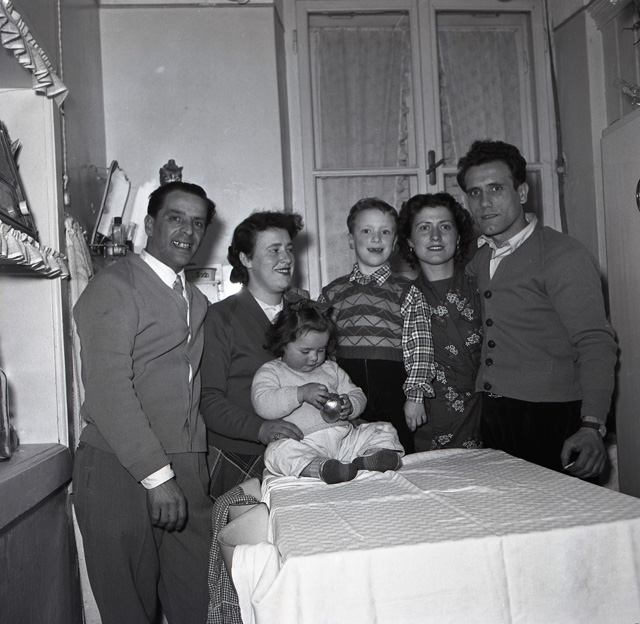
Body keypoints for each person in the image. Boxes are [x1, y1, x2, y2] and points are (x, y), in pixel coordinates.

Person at [73, 181, 217, 624]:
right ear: (150, 225)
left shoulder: (196, 300)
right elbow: (107, 388)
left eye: (198, 223)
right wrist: (157, 477)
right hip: (121, 466)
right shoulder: (114, 285)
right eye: (176, 218)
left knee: (198, 604)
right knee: (129, 612)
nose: (187, 231)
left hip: (185, 466)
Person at [457, 139, 617, 478]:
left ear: (522, 192)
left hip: (550, 415)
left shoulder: (563, 254)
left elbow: (595, 342)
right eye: (474, 192)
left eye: (496, 188)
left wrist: (592, 424)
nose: (484, 202)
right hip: (492, 414)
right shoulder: (480, 258)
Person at [201, 211, 307, 500]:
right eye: (274, 250)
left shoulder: (306, 312)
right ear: (246, 259)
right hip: (241, 457)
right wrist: (260, 429)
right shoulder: (219, 318)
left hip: (304, 450)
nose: (286, 258)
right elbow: (208, 400)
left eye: (288, 249)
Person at [251, 299, 405, 483]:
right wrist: (299, 393)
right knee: (276, 452)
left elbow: (357, 394)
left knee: (383, 428)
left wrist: (350, 405)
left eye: (321, 350)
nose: (314, 358)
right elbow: (263, 404)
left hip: (345, 439)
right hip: (305, 443)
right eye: (306, 351)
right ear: (282, 344)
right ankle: (320, 467)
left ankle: (371, 457)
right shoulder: (272, 371)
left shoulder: (330, 368)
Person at [319, 197, 414, 452]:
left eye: (385, 232)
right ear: (351, 239)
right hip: (347, 381)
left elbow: (419, 350)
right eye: (366, 231)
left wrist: (415, 397)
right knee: (349, 449)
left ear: (395, 241)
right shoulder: (332, 293)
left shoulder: (407, 291)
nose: (376, 238)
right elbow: (321, 348)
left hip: (393, 383)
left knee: (399, 449)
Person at [397, 193, 483, 451]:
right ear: (410, 240)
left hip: (486, 414)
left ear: (458, 237)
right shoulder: (402, 297)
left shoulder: (482, 286)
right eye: (424, 228)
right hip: (429, 418)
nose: (435, 236)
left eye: (445, 227)